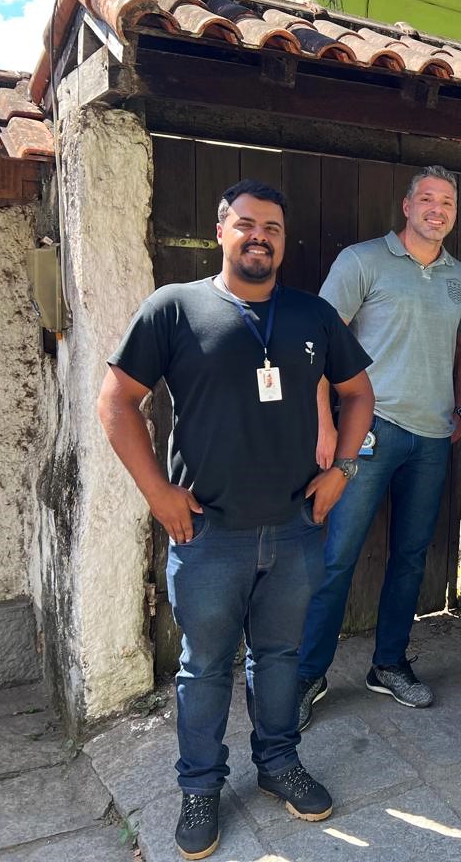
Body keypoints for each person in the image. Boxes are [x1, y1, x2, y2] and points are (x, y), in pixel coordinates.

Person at [97, 180, 375, 860]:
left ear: (284, 239)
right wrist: (158, 493)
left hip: (293, 529)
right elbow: (116, 402)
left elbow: (360, 394)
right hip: (208, 533)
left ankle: (278, 763)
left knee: (280, 659)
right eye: (246, 224)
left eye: (273, 227)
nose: (260, 236)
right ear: (220, 231)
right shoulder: (175, 308)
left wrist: (343, 469)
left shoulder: (311, 316)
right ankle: (200, 787)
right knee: (205, 668)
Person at [297, 165, 461, 730]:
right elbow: (319, 341)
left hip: (430, 437)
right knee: (337, 556)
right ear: (406, 206)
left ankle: (389, 664)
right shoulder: (361, 262)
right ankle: (308, 674)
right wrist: (325, 425)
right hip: (366, 433)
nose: (437, 209)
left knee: (409, 557)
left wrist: (460, 407)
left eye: (447, 202)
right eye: (427, 198)